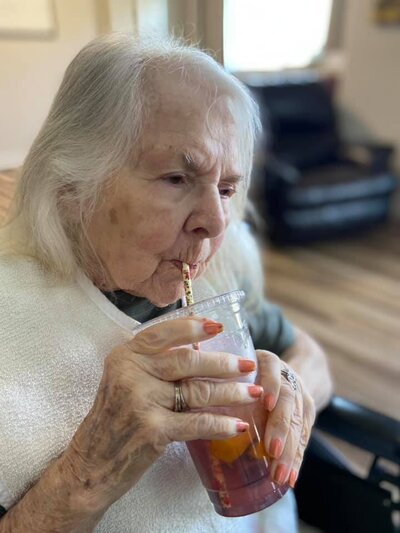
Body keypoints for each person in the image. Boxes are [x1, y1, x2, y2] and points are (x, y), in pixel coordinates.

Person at [0, 33, 332, 532]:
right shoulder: (14, 315)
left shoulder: (216, 281)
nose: (217, 222)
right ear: (72, 187)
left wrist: (291, 388)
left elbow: (308, 352)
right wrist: (85, 472)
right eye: (177, 178)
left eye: (226, 188)